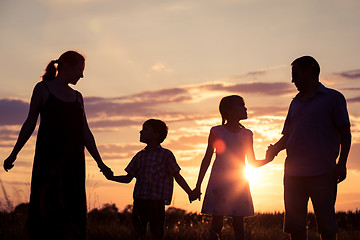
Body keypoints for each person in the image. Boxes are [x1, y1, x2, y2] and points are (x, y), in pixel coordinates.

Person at [3, 50, 113, 240]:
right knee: (47, 208)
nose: (82, 75)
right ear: (67, 66)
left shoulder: (78, 97)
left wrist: (100, 163)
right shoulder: (43, 89)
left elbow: (85, 132)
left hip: (74, 163)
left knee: (73, 209)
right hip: (48, 159)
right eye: (80, 69)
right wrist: (14, 154)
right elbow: (30, 122)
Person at [268, 56, 351, 240]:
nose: (292, 80)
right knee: (296, 227)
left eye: (295, 75)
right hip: (293, 175)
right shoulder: (294, 102)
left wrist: (342, 163)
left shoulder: (333, 98)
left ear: (310, 70)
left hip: (323, 172)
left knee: (327, 227)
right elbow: (288, 136)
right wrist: (274, 149)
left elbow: (346, 132)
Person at [192, 95, 274, 240]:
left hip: (239, 183)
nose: (245, 108)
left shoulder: (247, 134)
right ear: (229, 111)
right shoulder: (216, 131)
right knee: (216, 224)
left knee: (238, 224)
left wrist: (268, 159)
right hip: (219, 183)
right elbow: (207, 158)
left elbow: (252, 163)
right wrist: (197, 186)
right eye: (241, 105)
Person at [106, 119, 194, 240]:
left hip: (156, 203)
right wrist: (111, 177)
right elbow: (128, 178)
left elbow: (177, 175)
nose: (140, 132)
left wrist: (190, 192)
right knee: (138, 233)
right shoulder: (139, 155)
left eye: (145, 129)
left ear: (156, 134)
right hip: (139, 202)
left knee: (157, 234)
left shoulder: (166, 155)